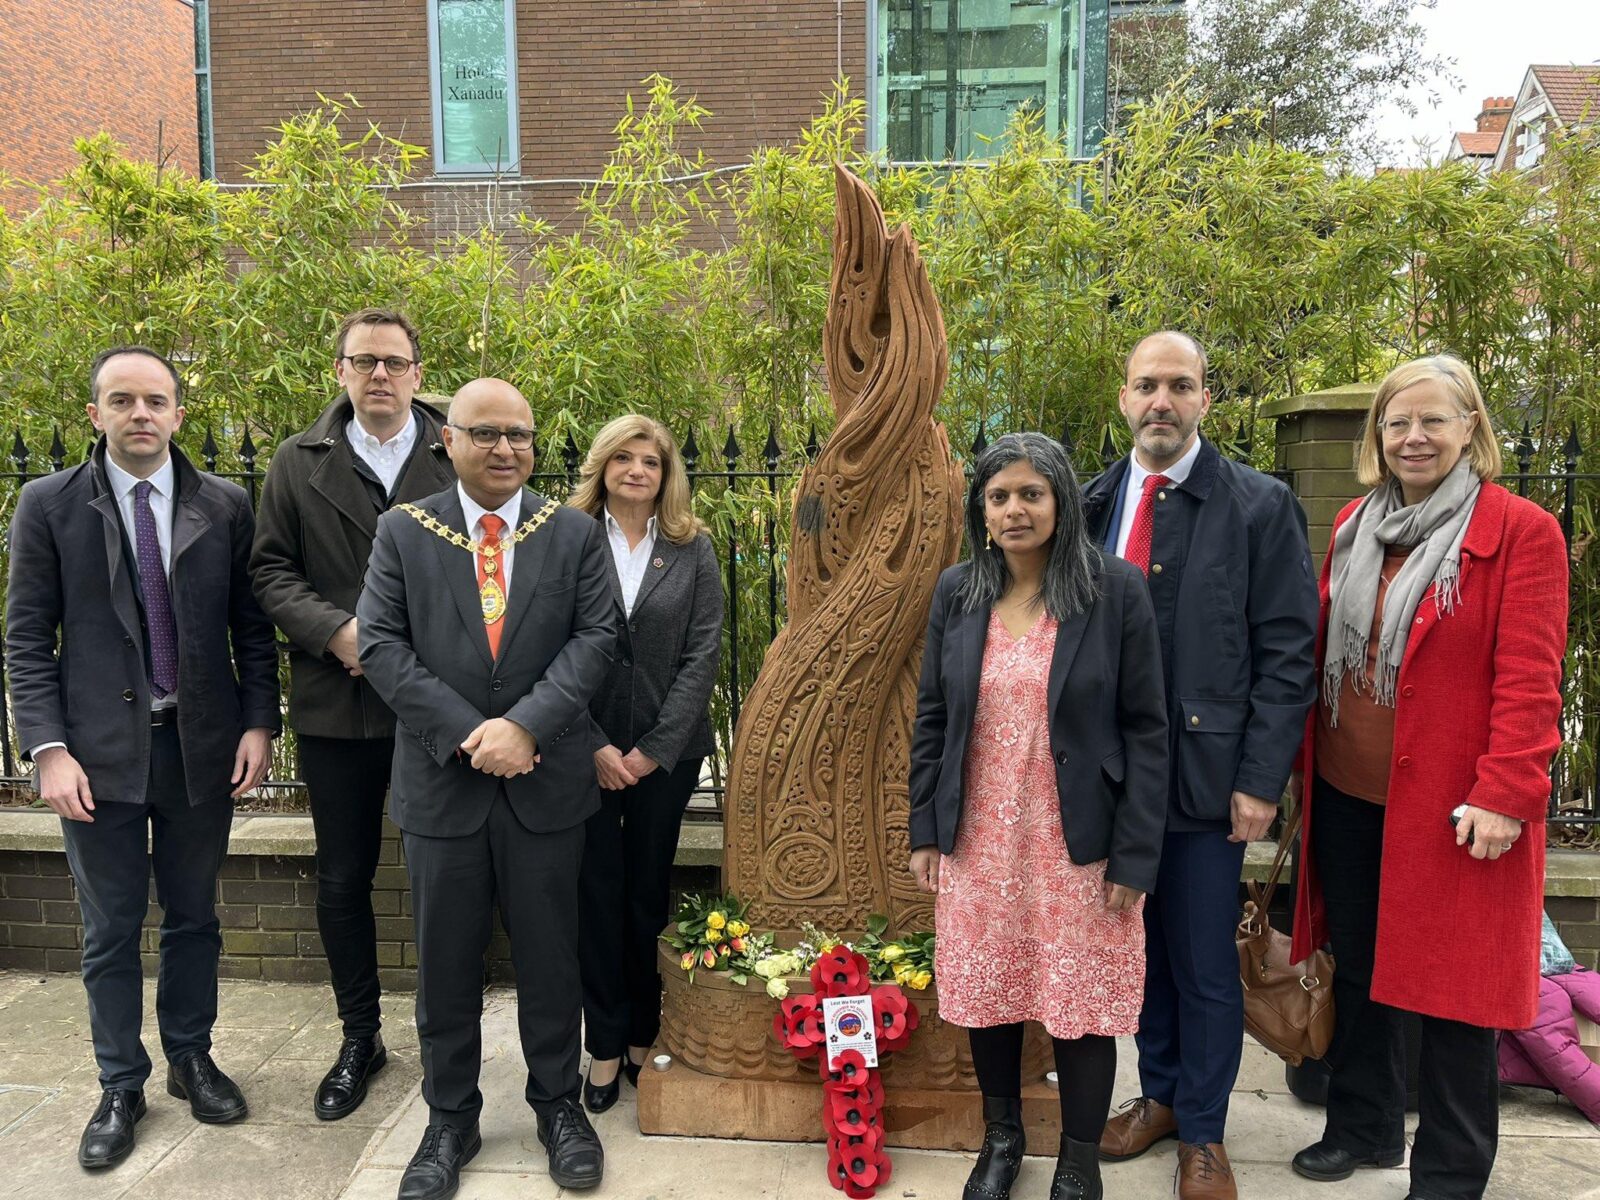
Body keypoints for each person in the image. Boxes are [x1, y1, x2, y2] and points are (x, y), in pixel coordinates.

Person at [1289, 354, 1569, 1200]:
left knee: (1459, 997)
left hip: (1457, 806)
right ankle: (1364, 1125)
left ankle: (1449, 1173)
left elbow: (1531, 679)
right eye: (1398, 422)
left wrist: (1505, 793)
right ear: (1378, 433)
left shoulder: (1520, 531)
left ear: (1470, 427)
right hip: (1349, 792)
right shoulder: (1354, 523)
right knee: (1360, 968)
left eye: (1433, 420)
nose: (1414, 437)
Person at [4, 346, 280, 1169]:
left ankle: (191, 1058)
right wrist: (48, 750)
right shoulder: (48, 504)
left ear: (178, 415)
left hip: (200, 751)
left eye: (156, 401)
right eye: (122, 400)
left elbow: (251, 629)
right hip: (95, 757)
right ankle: (121, 1083)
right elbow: (27, 638)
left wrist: (259, 724)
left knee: (195, 917)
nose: (140, 414)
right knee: (111, 928)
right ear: (96, 414)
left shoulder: (224, 503)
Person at [357, 378, 616, 1200]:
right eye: (486, 433)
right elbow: (382, 645)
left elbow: (596, 637)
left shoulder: (571, 531)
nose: (506, 448)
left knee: (551, 958)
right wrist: (476, 734)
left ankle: (557, 1106)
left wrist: (526, 727)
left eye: (520, 434)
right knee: (444, 965)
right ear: (448, 440)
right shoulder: (404, 531)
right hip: (444, 788)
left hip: (547, 786)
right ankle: (450, 1118)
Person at [1087, 331, 1319, 1200]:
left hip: (1206, 782)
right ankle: (1161, 1097)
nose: (1162, 401)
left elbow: (1288, 655)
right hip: (1108, 782)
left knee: (1203, 964)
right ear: (1124, 397)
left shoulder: (1259, 505)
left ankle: (1206, 1132)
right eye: (1147, 384)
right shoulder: (1092, 502)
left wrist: (1261, 779)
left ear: (1204, 401)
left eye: (1180, 386)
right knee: (1138, 956)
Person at [908, 433, 1169, 1200]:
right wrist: (926, 829)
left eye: (1031, 493)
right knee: (989, 996)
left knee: (1079, 1004)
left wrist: (1135, 855)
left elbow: (1148, 730)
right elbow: (933, 718)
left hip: (1077, 843)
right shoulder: (958, 591)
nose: (1014, 510)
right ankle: (1002, 1139)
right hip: (980, 841)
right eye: (999, 497)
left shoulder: (1113, 591)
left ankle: (1079, 1161)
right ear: (981, 511)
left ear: (1061, 502)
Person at [250, 307, 455, 1120]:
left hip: (442, 705)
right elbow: (270, 571)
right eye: (363, 360)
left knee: (450, 874)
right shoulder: (295, 462)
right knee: (343, 878)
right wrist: (339, 631)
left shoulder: (458, 450)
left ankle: (449, 1037)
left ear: (417, 373)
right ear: (339, 370)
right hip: (339, 704)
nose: (379, 374)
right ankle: (360, 1037)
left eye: (394, 362)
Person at [566, 414, 723, 1112]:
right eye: (624, 458)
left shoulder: (692, 547)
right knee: (594, 894)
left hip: (668, 755)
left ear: (666, 475)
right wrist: (592, 743)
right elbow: (546, 647)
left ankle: (640, 1034)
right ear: (602, 466)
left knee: (646, 894)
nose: (637, 470)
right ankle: (603, 1044)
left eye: (651, 461)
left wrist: (654, 749)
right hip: (582, 750)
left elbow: (703, 654)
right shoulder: (567, 538)